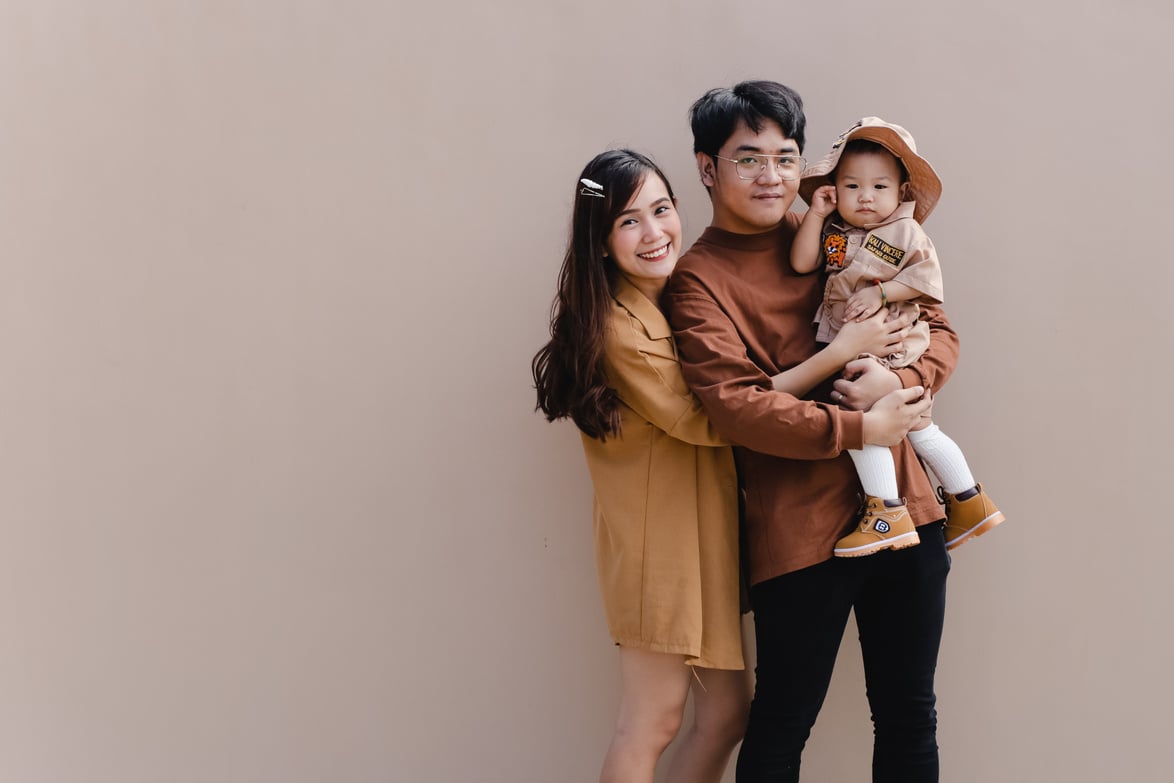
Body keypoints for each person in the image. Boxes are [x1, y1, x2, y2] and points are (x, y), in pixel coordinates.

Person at [531, 149, 906, 783]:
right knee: (651, 720)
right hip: (661, 550)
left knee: (727, 716)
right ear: (599, 241)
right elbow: (713, 418)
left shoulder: (672, 300)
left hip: (708, 542)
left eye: (660, 210)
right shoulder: (621, 328)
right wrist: (838, 358)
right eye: (628, 222)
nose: (654, 233)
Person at [663, 81, 954, 782]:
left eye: (785, 157)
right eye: (748, 159)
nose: (772, 176)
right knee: (782, 725)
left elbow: (937, 328)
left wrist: (904, 384)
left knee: (910, 714)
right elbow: (737, 407)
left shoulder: (849, 226)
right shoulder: (697, 279)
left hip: (908, 512)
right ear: (707, 167)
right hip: (797, 532)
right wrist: (862, 425)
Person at [791, 117, 1004, 556]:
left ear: (902, 191)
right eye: (851, 187)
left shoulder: (905, 232)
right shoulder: (836, 232)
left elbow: (928, 280)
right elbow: (801, 263)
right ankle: (968, 499)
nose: (865, 197)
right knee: (919, 425)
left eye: (879, 187)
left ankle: (885, 513)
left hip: (889, 345)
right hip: (857, 341)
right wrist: (815, 214)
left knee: (857, 409)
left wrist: (882, 291)